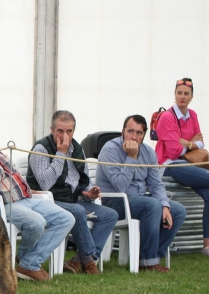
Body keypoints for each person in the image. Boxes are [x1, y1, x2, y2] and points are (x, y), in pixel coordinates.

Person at [0, 115, 75, 282]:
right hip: (2, 205)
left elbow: (14, 176)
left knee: (66, 218)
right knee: (37, 222)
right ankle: (29, 265)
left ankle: (27, 262)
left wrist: (31, 191)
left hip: (27, 198)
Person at [27, 110, 118, 274]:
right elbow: (45, 184)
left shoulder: (77, 148)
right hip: (47, 201)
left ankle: (78, 260)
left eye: (69, 131)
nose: (64, 136)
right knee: (78, 210)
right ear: (52, 130)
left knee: (110, 214)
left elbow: (82, 178)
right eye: (60, 131)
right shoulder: (40, 148)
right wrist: (60, 154)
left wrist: (89, 192)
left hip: (73, 199)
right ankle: (88, 261)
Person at [97, 114, 186, 272]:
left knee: (177, 210)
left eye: (139, 133)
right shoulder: (109, 149)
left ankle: (151, 256)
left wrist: (165, 205)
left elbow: (156, 185)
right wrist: (131, 157)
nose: (134, 136)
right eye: (130, 131)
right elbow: (119, 186)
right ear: (122, 131)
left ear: (144, 135)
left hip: (139, 200)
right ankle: (148, 262)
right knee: (151, 205)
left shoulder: (149, 153)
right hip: (113, 202)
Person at [155, 78, 209, 255]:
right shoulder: (167, 117)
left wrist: (186, 143)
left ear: (192, 96)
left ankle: (206, 246)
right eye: (179, 93)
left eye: (186, 93)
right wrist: (190, 143)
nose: (182, 97)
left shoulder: (192, 114)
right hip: (171, 165)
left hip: (188, 163)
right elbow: (172, 151)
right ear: (174, 94)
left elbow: (201, 142)